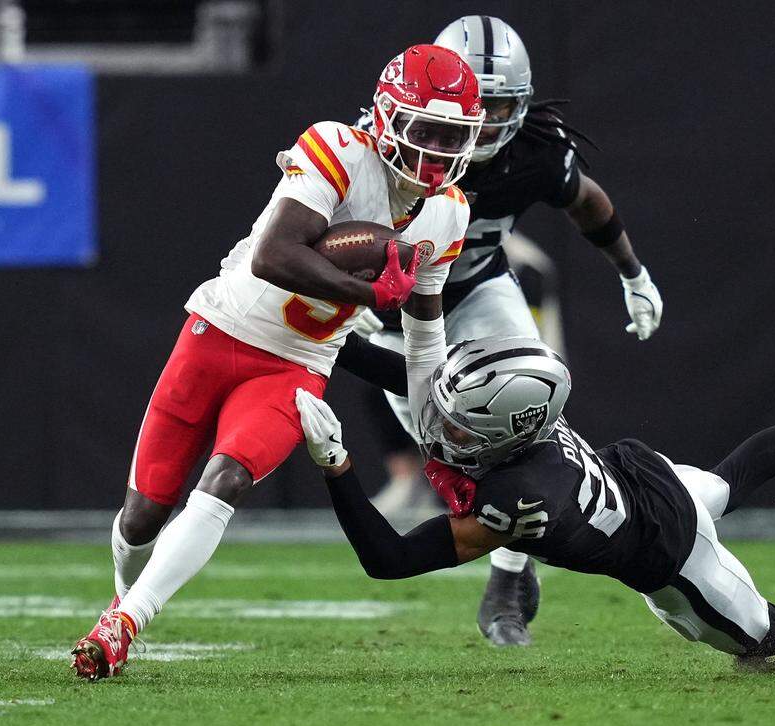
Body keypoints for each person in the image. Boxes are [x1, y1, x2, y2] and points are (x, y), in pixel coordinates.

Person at [69, 44, 484, 681]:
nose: (435, 150)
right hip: (220, 330)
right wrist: (368, 293)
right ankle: (122, 599)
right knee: (143, 513)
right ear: (387, 113)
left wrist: (433, 436)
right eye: (424, 129)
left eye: (450, 135)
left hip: (296, 362)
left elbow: (425, 335)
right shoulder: (340, 149)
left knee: (227, 478)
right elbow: (274, 255)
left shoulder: (450, 210)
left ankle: (126, 623)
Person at [297, 337, 775, 661]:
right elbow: (423, 382)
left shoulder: (516, 496)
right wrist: (326, 340)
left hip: (668, 552)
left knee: (768, 635)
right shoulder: (527, 419)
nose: (441, 427)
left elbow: (389, 558)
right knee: (731, 478)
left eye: (460, 422)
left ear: (502, 431)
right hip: (644, 476)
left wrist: (336, 464)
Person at [343, 15, 663, 647]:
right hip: (394, 309)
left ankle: (509, 573)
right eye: (477, 105)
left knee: (527, 407)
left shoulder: (532, 150)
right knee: (454, 442)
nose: (486, 124)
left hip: (481, 285)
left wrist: (633, 272)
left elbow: (586, 200)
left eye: (502, 107)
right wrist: (335, 293)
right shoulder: (393, 141)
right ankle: (503, 549)